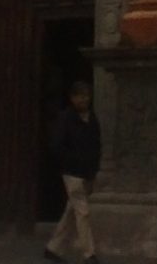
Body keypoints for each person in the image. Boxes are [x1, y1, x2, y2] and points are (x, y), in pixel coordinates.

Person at [45, 77, 102, 263]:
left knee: (72, 212)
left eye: (86, 96)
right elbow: (57, 145)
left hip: (86, 172)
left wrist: (94, 171)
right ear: (72, 98)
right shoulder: (66, 118)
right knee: (82, 211)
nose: (84, 100)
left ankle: (53, 248)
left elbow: (96, 146)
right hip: (72, 172)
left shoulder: (92, 119)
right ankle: (89, 253)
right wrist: (71, 161)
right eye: (80, 96)